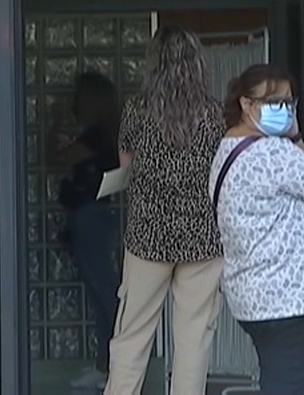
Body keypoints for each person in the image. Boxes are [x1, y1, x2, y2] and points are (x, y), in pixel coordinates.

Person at [209, 64, 304, 394]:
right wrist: (296, 138)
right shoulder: (273, 152)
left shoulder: (227, 149)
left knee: (280, 381)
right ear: (245, 104)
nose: (283, 110)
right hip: (291, 300)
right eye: (273, 101)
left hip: (256, 296)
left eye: (289, 102)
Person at [105, 26, 225, 395]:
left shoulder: (136, 111)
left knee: (132, 335)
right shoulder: (215, 115)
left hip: (147, 237)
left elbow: (125, 165)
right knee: (193, 339)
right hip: (203, 238)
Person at [46, 71, 122, 390]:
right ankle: (106, 366)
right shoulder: (101, 134)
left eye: (80, 96)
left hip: (91, 218)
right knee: (100, 293)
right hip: (92, 217)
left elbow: (54, 158)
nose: (75, 102)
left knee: (105, 294)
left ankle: (116, 368)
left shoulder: (97, 137)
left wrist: (54, 121)